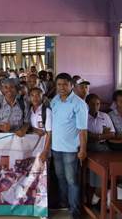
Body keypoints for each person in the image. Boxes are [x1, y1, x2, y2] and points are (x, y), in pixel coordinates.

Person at [51, 73, 87, 219]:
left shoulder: (79, 104)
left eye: (65, 84)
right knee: (60, 178)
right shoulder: (55, 100)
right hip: (56, 148)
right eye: (59, 85)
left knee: (72, 180)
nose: (62, 87)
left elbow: (83, 130)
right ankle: (63, 203)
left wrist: (83, 150)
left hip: (71, 150)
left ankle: (75, 211)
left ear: (72, 85)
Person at [86, 93, 115, 206]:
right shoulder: (83, 116)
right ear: (87, 105)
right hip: (88, 147)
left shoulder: (104, 116)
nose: (95, 106)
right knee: (98, 167)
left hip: (103, 146)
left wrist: (97, 137)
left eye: (97, 104)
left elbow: (112, 133)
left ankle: (99, 194)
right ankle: (97, 194)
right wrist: (99, 136)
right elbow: (84, 135)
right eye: (92, 104)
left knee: (107, 165)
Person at [29, 87, 52, 163]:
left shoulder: (46, 111)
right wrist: (34, 129)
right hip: (30, 150)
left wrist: (45, 151)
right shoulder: (28, 111)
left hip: (42, 150)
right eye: (32, 95)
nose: (35, 98)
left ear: (42, 97)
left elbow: (49, 133)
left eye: (38, 95)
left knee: (43, 173)